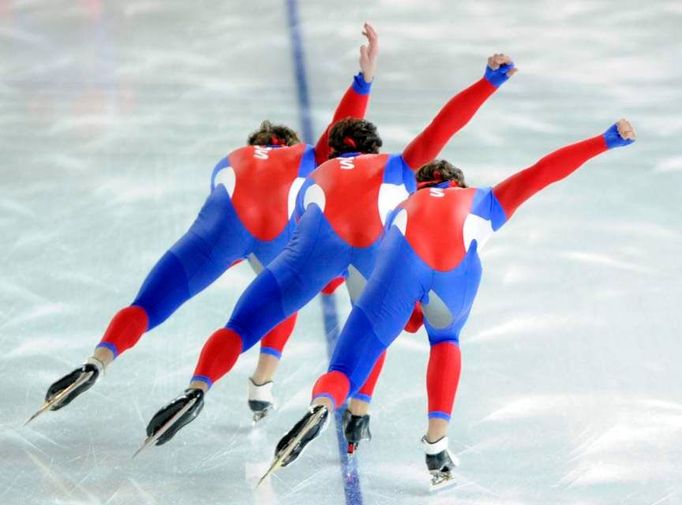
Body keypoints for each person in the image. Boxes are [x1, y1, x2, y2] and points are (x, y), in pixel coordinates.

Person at [143, 53, 518, 448]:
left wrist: (364, 82)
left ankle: (224, 385)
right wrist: (488, 82)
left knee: (272, 303)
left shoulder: (312, 168)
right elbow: (443, 129)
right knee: (376, 330)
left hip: (315, 250)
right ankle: (356, 408)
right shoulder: (395, 173)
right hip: (375, 255)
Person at [32, 23, 380, 425]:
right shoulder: (304, 156)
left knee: (145, 306)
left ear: (258, 144)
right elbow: (341, 131)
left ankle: (99, 358)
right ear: (285, 143)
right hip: (277, 236)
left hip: (219, 228)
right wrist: (364, 80)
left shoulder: (234, 157)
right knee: (275, 302)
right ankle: (238, 385)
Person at [268, 118, 636, 488]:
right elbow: (543, 171)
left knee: (364, 346)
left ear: (422, 183)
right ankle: (436, 447)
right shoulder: (484, 200)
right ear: (457, 183)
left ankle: (336, 406)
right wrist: (605, 141)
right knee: (445, 342)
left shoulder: (402, 202)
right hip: (454, 281)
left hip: (400, 265)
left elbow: (367, 273)